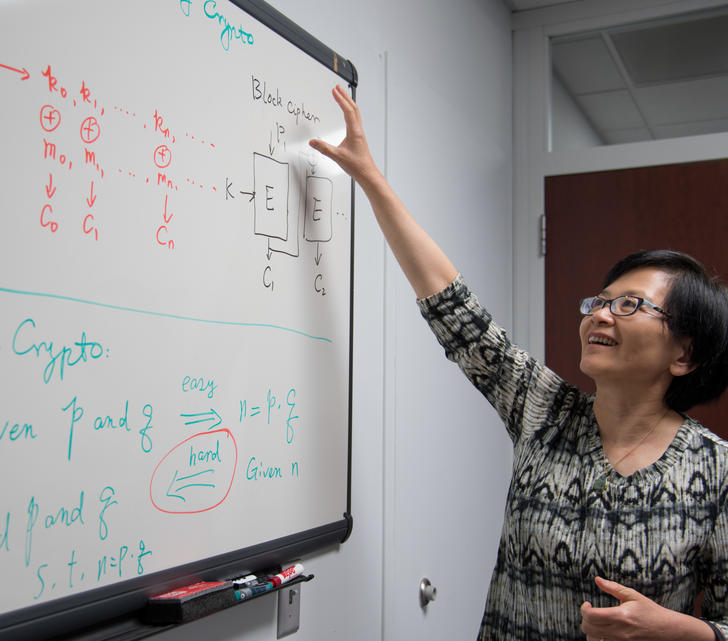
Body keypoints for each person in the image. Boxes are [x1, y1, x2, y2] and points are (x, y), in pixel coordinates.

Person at [310, 85, 728, 641]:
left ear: (684, 353)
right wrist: (371, 179)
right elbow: (453, 307)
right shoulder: (545, 412)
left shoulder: (714, 470)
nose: (600, 314)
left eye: (630, 305)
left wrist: (681, 630)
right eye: (598, 301)